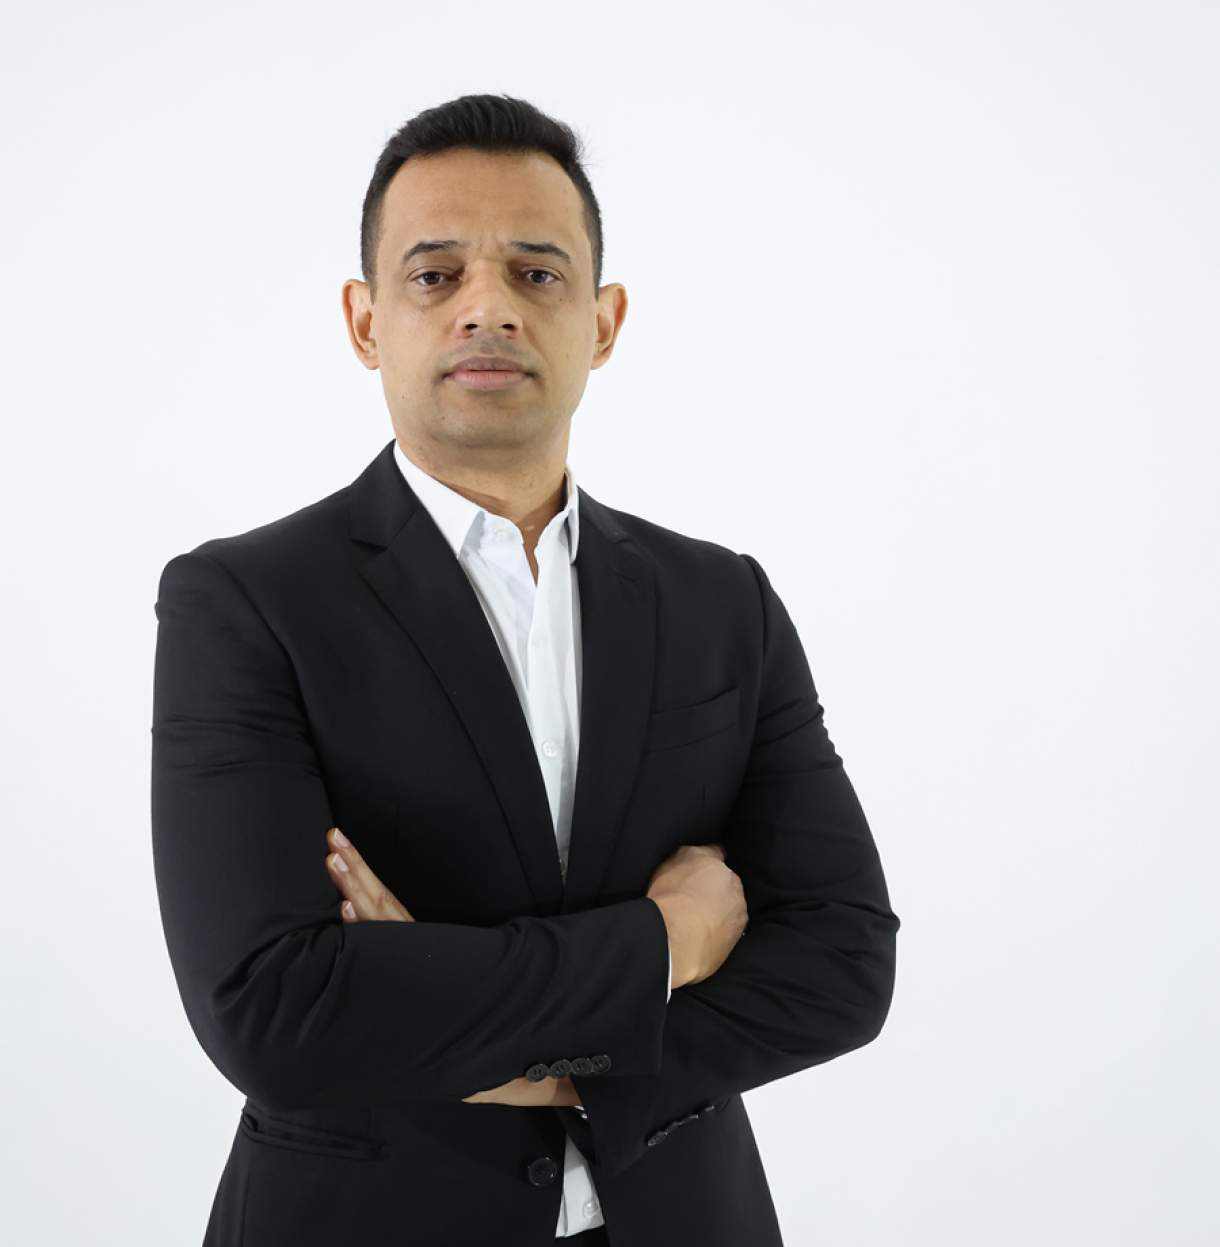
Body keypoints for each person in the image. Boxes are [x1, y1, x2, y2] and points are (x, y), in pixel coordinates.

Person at [150, 92, 901, 1247]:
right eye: (435, 273)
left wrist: (533, 1063)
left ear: (602, 320)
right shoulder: (244, 601)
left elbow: (841, 961)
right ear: (365, 320)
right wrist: (665, 942)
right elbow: (274, 1010)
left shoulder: (721, 600)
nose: (487, 305)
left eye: (536, 272)